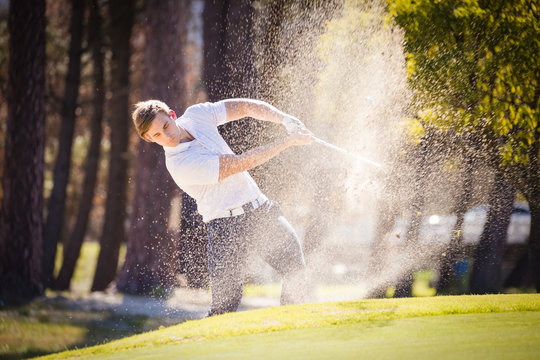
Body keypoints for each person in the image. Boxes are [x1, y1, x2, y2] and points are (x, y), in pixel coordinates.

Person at [132, 98, 313, 316]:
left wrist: (284, 119)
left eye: (166, 126)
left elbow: (245, 107)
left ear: (172, 115)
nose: (167, 136)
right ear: (148, 138)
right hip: (225, 227)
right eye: (157, 135)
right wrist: (287, 141)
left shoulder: (197, 114)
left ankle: (291, 327)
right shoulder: (179, 164)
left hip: (259, 209)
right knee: (225, 307)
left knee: (295, 269)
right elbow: (239, 164)